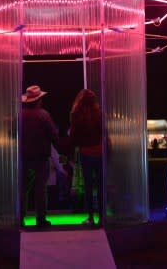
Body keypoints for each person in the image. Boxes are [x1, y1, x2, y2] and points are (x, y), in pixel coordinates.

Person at [21, 85, 59, 228]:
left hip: (24, 156)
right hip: (41, 157)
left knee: (23, 188)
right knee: (41, 188)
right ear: (38, 100)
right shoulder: (44, 115)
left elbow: (11, 133)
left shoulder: (20, 115)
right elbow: (53, 134)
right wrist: (61, 147)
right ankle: (41, 218)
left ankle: (21, 217)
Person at [68, 88, 103, 227]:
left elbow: (74, 136)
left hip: (85, 152)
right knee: (100, 185)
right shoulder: (99, 114)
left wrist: (70, 152)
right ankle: (101, 217)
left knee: (88, 185)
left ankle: (90, 217)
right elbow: (104, 132)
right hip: (99, 151)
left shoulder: (76, 115)